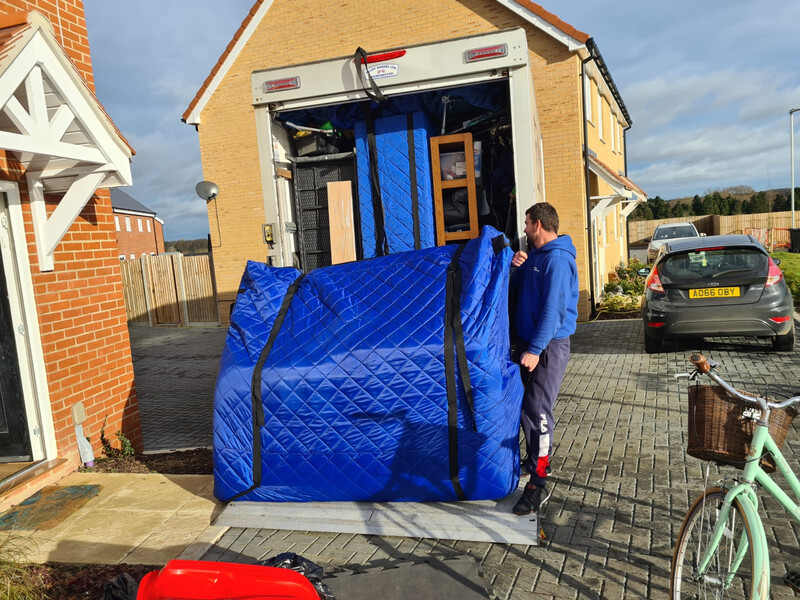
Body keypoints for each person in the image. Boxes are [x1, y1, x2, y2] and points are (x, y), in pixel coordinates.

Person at [509, 202, 579, 515]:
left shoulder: (558, 260)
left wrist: (535, 350)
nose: (524, 229)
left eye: (526, 223)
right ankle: (535, 461)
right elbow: (517, 291)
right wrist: (516, 266)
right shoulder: (536, 256)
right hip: (531, 345)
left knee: (538, 414)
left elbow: (554, 311)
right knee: (528, 409)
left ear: (538, 224)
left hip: (547, 348)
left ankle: (538, 483)